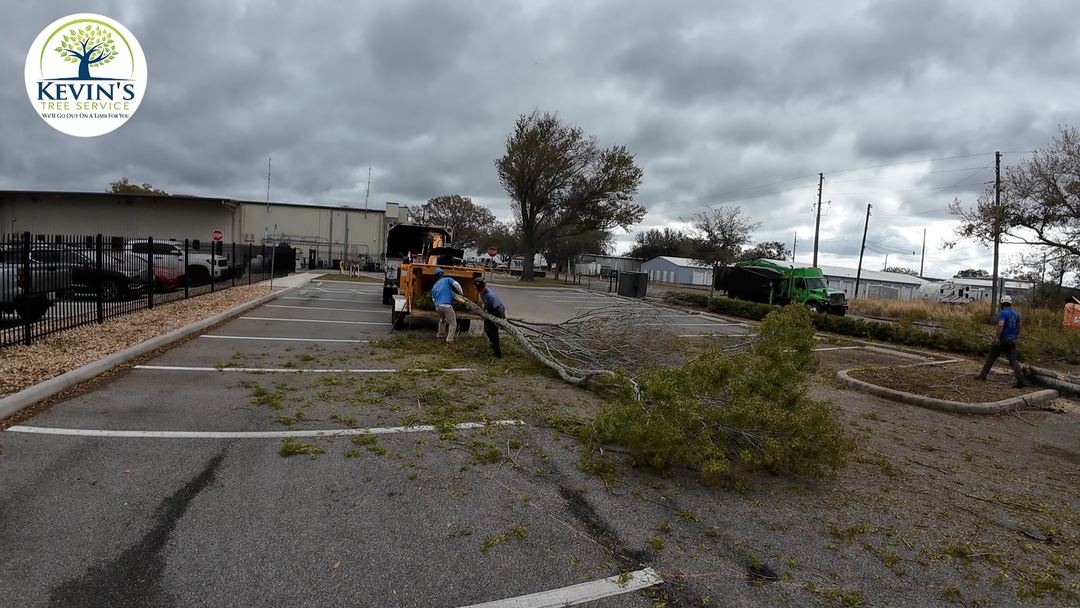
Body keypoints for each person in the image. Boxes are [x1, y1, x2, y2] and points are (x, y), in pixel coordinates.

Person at [976, 294, 1025, 388]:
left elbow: (1001, 325)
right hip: (1012, 340)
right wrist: (1015, 335)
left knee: (991, 357)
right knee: (1014, 361)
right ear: (1010, 303)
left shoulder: (1003, 313)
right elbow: (1020, 326)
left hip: (1003, 339)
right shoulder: (1015, 314)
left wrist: (997, 337)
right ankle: (1021, 380)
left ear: (1002, 304)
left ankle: (983, 375)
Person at [432, 268, 463, 349]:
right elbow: (456, 284)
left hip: (438, 307)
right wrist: (461, 293)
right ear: (443, 274)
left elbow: (433, 299)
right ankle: (449, 342)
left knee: (442, 320)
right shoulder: (447, 279)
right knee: (453, 323)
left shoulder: (434, 286)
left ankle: (439, 337)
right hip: (447, 306)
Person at [474, 277, 506, 358]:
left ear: (481, 287)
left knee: (493, 331)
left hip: (497, 312)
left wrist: (503, 319)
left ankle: (497, 353)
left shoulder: (490, 295)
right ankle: (492, 345)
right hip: (490, 311)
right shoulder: (482, 292)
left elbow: (498, 307)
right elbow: (486, 303)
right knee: (487, 328)